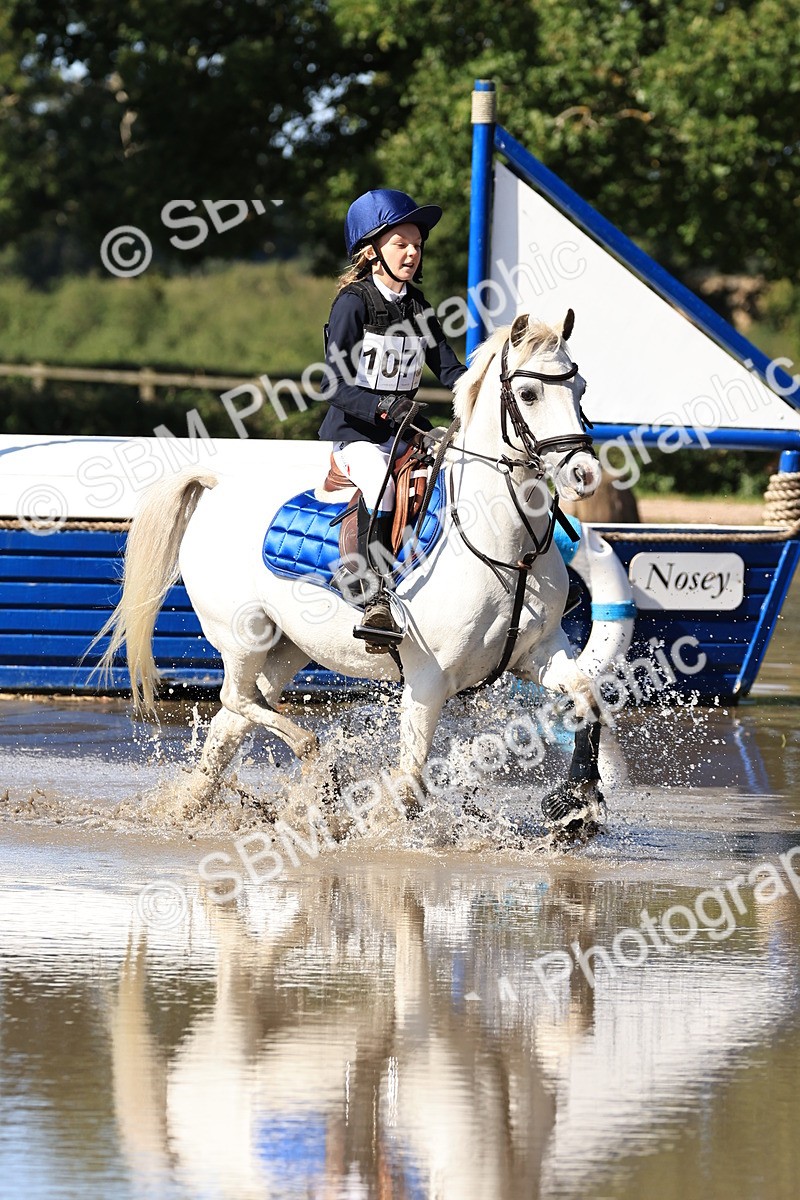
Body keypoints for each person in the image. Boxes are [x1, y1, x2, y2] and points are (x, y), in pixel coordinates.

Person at [320, 188, 466, 652]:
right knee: (381, 478)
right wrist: (386, 407)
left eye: (417, 244)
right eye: (401, 242)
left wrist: (490, 388)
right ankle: (372, 596)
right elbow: (334, 385)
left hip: (404, 432)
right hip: (357, 435)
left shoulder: (419, 308)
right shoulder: (353, 304)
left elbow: (451, 372)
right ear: (372, 250)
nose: (411, 251)